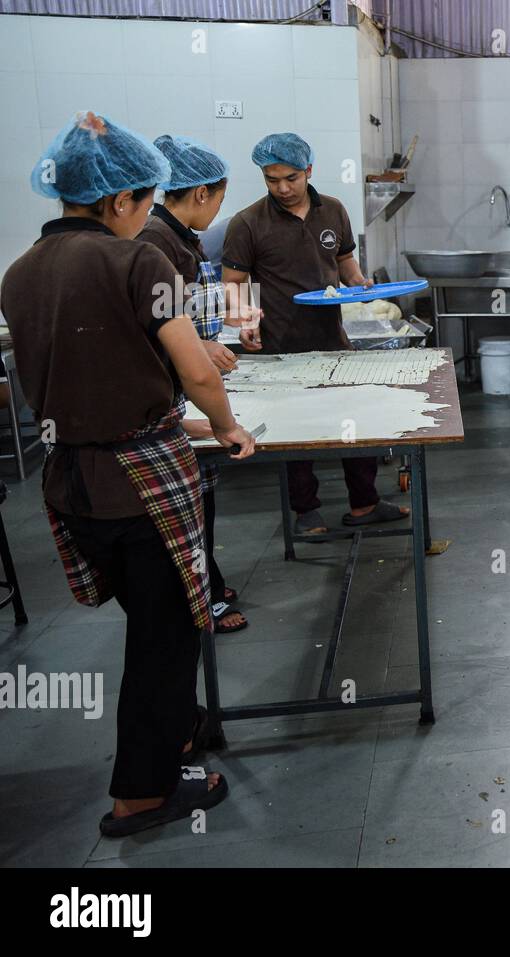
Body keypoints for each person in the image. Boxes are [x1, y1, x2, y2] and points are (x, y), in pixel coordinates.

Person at [0, 111, 257, 837]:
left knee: (151, 623)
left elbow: (95, 367)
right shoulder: (134, 260)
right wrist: (229, 425)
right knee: (165, 631)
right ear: (117, 201)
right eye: (147, 200)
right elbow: (197, 366)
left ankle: (174, 736)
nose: (149, 215)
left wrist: (178, 417)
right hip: (138, 481)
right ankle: (142, 794)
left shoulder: (18, 272)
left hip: (72, 481)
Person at [221, 132, 407, 535]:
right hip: (280, 345)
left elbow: (345, 262)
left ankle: (364, 503)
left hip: (332, 340)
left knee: (352, 420)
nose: (282, 188)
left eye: (290, 178)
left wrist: (362, 284)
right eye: (272, 180)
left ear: (309, 171)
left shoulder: (334, 212)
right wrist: (246, 320)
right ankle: (305, 511)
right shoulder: (248, 223)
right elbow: (233, 282)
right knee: (293, 430)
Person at [136, 134, 251, 634]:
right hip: (168, 390)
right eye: (220, 198)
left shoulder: (179, 236)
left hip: (181, 386)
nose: (218, 210)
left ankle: (210, 580)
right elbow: (154, 327)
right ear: (202, 193)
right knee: (187, 510)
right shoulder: (154, 242)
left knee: (199, 498)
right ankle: (203, 600)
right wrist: (201, 353)